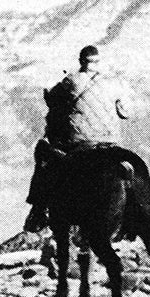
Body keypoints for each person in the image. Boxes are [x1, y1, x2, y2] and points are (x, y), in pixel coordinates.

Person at [24, 45, 131, 232]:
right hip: (111, 141)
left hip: (80, 141)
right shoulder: (114, 83)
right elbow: (125, 113)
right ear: (98, 61)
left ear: (81, 61)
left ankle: (38, 210)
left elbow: (53, 101)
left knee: (44, 156)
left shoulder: (70, 81)